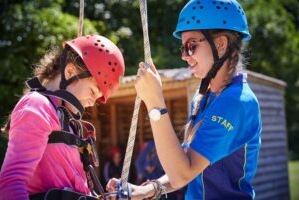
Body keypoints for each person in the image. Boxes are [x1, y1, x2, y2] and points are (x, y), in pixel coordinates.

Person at [107, 0, 261, 199]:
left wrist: (155, 103)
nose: (184, 56)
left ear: (220, 44)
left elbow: (182, 174)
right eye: (183, 49)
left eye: (190, 46)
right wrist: (149, 189)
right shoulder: (203, 97)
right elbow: (183, 164)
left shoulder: (237, 102)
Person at [0, 34, 125, 200]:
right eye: (92, 91)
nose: (91, 102)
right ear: (70, 71)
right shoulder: (37, 107)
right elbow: (11, 183)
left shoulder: (68, 122)